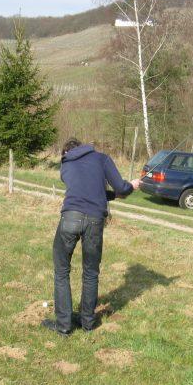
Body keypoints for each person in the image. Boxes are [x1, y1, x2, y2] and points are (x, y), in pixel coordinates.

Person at [42, 138, 141, 336]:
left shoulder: (65, 164)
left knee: (61, 271)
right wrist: (131, 185)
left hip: (70, 217)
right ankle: (87, 323)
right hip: (95, 220)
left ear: (66, 153)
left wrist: (115, 194)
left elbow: (84, 188)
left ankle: (64, 325)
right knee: (91, 272)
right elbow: (120, 188)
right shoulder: (102, 158)